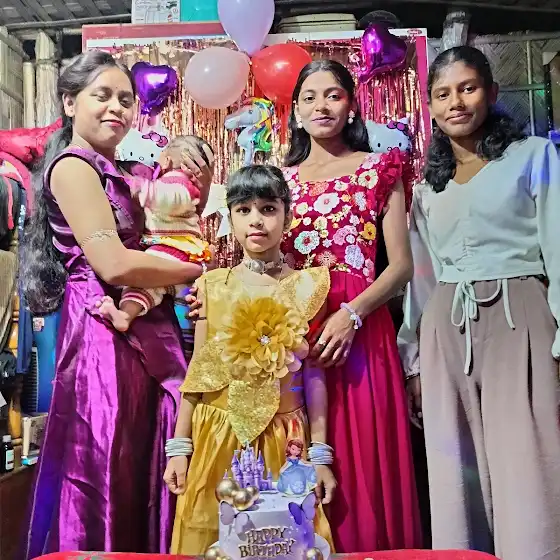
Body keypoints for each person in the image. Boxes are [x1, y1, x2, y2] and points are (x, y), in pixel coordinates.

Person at [19, 51, 214, 556]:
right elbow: (114, 265)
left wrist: (186, 153)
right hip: (103, 333)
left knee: (149, 455)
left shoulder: (125, 170)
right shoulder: (72, 167)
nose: (116, 108)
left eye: (125, 100)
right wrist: (201, 272)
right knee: (108, 461)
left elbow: (186, 209)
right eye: (101, 96)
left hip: (144, 323)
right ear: (70, 103)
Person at [397, 46, 560, 560]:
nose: (456, 103)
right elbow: (422, 274)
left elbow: (557, 243)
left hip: (520, 315)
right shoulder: (427, 186)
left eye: (467, 89)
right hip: (447, 325)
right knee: (455, 463)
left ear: (491, 92)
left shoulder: (534, 156)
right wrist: (413, 361)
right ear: (430, 105)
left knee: (527, 456)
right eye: (442, 94)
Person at [281, 59, 422, 552]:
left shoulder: (379, 168)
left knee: (365, 453)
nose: (322, 106)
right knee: (301, 452)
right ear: (296, 112)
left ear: (352, 106)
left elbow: (401, 266)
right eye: (310, 97)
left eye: (333, 95)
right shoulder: (280, 181)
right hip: (299, 332)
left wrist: (352, 315)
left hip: (361, 327)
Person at [164, 165, 336, 555]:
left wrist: (320, 455)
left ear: (287, 216)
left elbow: (314, 375)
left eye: (268, 209)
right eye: (243, 210)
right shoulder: (212, 285)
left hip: (287, 442)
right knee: (214, 538)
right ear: (230, 218)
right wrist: (180, 447)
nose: (255, 220)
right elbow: (199, 371)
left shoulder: (309, 286)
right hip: (216, 436)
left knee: (287, 541)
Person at [96, 135, 213, 339]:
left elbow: (173, 197)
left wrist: (146, 190)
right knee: (178, 309)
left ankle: (125, 315)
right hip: (179, 253)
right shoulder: (180, 183)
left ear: (166, 160)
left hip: (172, 251)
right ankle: (187, 345)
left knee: (141, 284)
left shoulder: (176, 180)